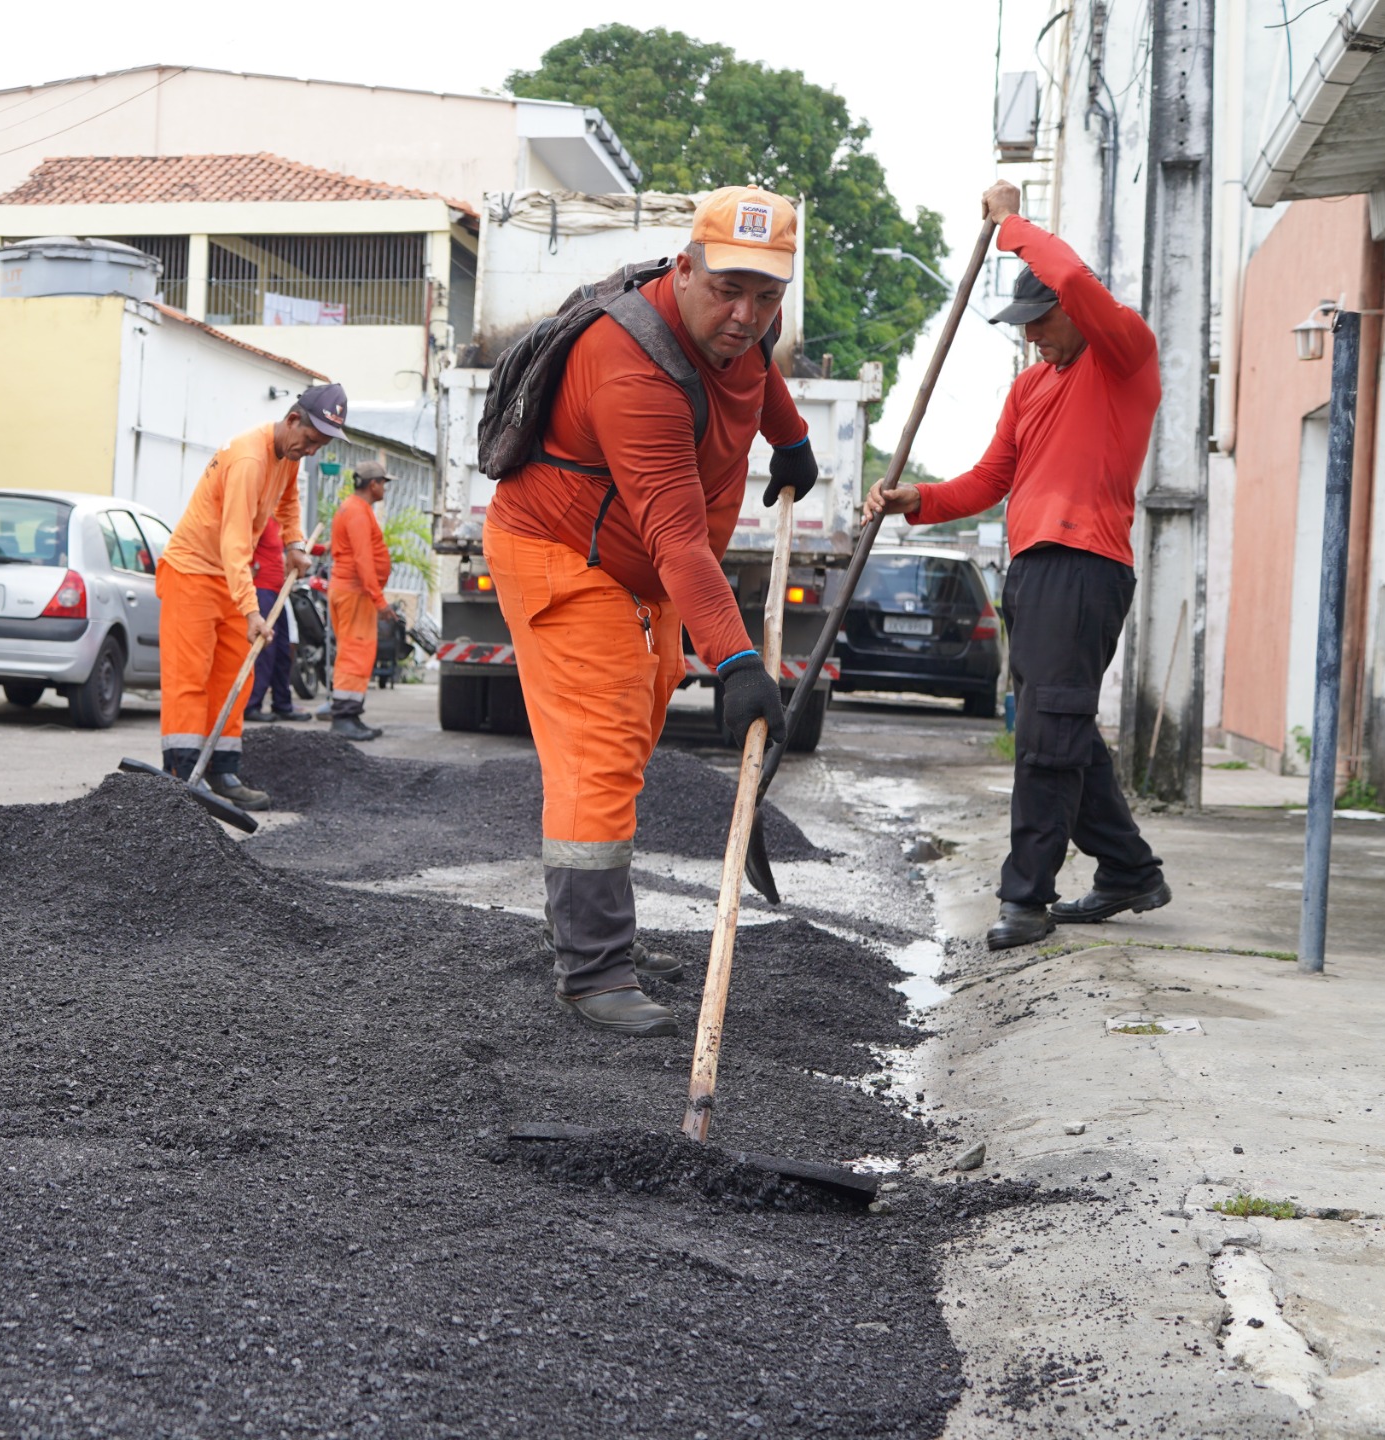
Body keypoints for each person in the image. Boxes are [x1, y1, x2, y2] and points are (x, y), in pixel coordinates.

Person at [484, 185, 818, 1037]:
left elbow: (758, 365)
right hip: (564, 551)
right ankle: (593, 971)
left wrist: (790, 438)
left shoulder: (746, 320)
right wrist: (738, 664)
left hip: (645, 569)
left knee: (633, 733)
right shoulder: (632, 367)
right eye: (728, 291)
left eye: (766, 295)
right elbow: (677, 536)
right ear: (686, 268)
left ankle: (592, 928)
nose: (745, 315)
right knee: (597, 751)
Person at [865, 180, 1169, 950]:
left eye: (1040, 319)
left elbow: (1068, 273)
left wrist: (1010, 223)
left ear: (1075, 310)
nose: (1031, 336)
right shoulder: (1030, 388)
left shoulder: (1124, 354)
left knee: (1047, 737)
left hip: (1085, 565)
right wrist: (914, 499)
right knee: (1059, 731)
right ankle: (1129, 870)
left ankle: (1026, 899)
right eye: (1023, 323)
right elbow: (990, 479)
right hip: (1032, 573)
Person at [157, 384, 342, 809]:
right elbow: (236, 541)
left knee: (233, 679)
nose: (311, 451)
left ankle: (222, 771)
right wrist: (251, 609)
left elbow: (288, 501)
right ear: (292, 419)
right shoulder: (248, 459)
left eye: (320, 446)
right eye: (310, 440)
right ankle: (182, 775)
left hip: (228, 576)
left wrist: (294, 543)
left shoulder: (288, 454)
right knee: (190, 678)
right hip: (191, 573)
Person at [327, 458, 395, 742]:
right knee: (355, 653)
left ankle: (351, 714)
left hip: (351, 591)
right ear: (373, 484)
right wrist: (379, 600)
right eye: (383, 483)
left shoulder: (353, 508)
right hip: (355, 592)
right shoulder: (356, 511)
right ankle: (344, 717)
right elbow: (362, 559)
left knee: (355, 651)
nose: (384, 489)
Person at [242, 514, 304, 724]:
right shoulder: (260, 520)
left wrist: (320, 548)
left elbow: (296, 544)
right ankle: (252, 704)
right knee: (265, 649)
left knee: (283, 649)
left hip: (278, 592)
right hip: (262, 590)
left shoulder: (280, 524)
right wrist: (250, 568)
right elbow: (242, 545)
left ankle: (282, 703)